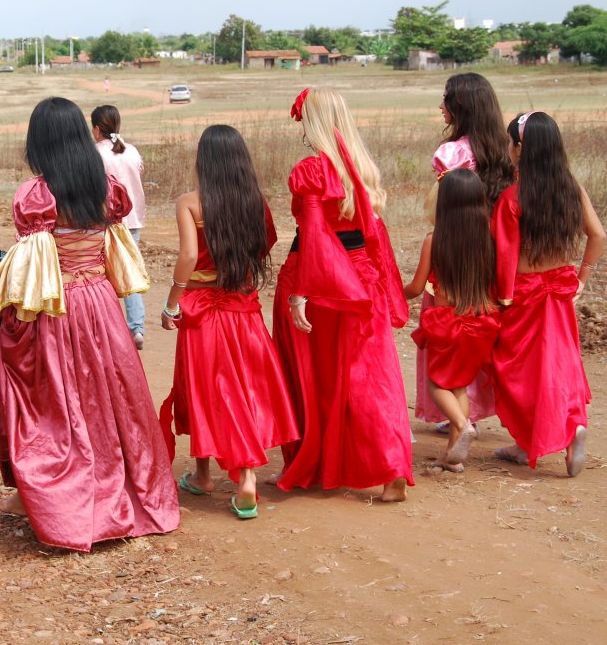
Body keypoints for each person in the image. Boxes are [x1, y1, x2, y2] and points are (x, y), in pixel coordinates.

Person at [0, 97, 178, 551]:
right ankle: (119, 488)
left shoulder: (37, 196)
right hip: (102, 304)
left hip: (58, 307)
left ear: (40, 141)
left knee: (58, 401)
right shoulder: (105, 188)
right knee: (110, 398)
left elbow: (30, 268)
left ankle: (62, 497)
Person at [272, 88, 413, 502]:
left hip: (320, 279)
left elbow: (314, 233)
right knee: (369, 374)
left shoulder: (313, 169)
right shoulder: (361, 166)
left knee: (317, 375)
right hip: (362, 277)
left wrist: (302, 293)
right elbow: (375, 236)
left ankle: (319, 462)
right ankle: (391, 468)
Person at [158, 125, 298, 519]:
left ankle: (210, 476)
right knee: (244, 390)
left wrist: (172, 302)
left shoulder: (190, 202)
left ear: (204, 160)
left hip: (201, 308)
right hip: (242, 305)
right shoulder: (255, 202)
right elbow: (267, 242)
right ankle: (243, 476)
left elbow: (187, 256)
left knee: (200, 390)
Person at [491, 112, 605, 477]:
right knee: (560, 365)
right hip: (559, 290)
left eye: (511, 142)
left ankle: (529, 441)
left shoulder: (512, 198)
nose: (508, 149)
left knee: (517, 372)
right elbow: (598, 235)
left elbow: (506, 258)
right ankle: (571, 429)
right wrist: (582, 277)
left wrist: (499, 300)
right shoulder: (571, 188)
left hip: (523, 295)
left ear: (521, 149)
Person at [415, 72, 512, 432]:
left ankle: (457, 417)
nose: (441, 105)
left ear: (461, 107)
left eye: (447, 99)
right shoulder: (505, 150)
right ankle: (472, 412)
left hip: (455, 253)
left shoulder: (451, 152)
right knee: (478, 335)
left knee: (446, 338)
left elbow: (446, 204)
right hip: (491, 254)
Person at [404, 169, 501, 471]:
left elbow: (417, 288)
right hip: (482, 321)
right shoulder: (488, 238)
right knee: (459, 386)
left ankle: (462, 422)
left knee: (437, 385)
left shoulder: (435, 240)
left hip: (447, 322)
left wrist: (393, 289)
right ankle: (452, 456)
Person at [91, 104, 147, 348]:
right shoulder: (131, 151)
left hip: (105, 222)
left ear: (95, 129)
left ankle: (109, 329)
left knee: (102, 275)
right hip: (132, 221)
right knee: (129, 272)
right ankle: (137, 328)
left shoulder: (94, 154)